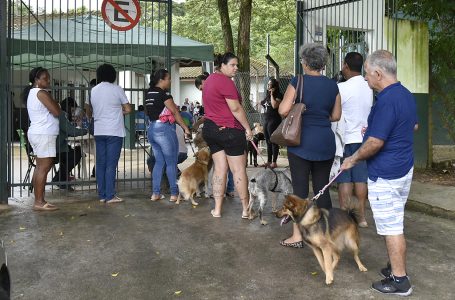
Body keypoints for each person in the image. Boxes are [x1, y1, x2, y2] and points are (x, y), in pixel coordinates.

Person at [340, 50, 417, 296]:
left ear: (378, 73)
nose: (365, 79)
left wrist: (352, 159)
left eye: (367, 74)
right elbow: (413, 125)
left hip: (386, 174)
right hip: (404, 168)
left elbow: (375, 142)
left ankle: (400, 280)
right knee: (394, 221)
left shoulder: (386, 100)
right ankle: (395, 267)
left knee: (392, 227)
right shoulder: (405, 94)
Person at [278, 43, 341, 247]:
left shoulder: (299, 81)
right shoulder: (333, 85)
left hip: (301, 142)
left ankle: (297, 237)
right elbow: (336, 115)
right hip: (325, 142)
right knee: (322, 189)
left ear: (304, 62)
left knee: (300, 191)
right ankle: (329, 235)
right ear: (323, 64)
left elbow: (283, 110)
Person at [201, 52, 253, 218]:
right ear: (222, 65)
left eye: (237, 65)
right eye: (232, 65)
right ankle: (246, 209)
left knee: (219, 169)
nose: (236, 68)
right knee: (238, 170)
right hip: (229, 130)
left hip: (211, 129)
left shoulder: (209, 80)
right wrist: (248, 128)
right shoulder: (225, 82)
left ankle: (217, 209)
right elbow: (236, 109)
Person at [336, 52, 373, 227]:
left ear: (346, 66)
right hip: (363, 139)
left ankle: (345, 217)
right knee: (360, 178)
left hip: (345, 138)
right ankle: (362, 218)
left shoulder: (342, 87)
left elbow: (335, 113)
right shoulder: (369, 85)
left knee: (344, 178)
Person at [145, 69, 191, 202]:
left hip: (152, 128)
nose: (170, 81)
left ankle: (155, 193)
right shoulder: (164, 94)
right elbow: (175, 112)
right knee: (171, 163)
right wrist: (185, 128)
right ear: (162, 79)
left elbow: (149, 112)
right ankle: (174, 194)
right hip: (164, 130)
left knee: (159, 162)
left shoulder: (149, 94)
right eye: (168, 78)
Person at [91, 64, 132, 204]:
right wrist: (118, 111)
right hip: (114, 131)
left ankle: (102, 195)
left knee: (101, 163)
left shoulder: (94, 90)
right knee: (111, 164)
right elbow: (128, 109)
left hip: (99, 130)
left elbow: (91, 109)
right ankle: (110, 195)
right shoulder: (117, 89)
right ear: (112, 75)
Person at [24, 67, 61, 211]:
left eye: (48, 77)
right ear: (36, 80)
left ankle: (40, 200)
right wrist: (55, 103)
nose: (48, 80)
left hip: (39, 133)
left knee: (41, 167)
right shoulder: (41, 93)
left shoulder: (35, 93)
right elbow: (57, 111)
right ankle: (39, 202)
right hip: (43, 134)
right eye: (45, 78)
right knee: (44, 168)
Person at [195, 73, 235, 198]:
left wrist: (198, 123)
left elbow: (211, 113)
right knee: (227, 163)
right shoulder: (220, 85)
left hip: (221, 128)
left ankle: (218, 191)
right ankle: (227, 189)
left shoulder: (214, 89)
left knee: (221, 164)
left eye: (201, 87)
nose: (202, 91)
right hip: (224, 127)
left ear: (203, 81)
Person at [52, 112, 88, 191]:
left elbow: (67, 131)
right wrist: (86, 131)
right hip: (57, 149)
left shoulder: (48, 114)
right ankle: (60, 179)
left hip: (51, 147)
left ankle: (58, 178)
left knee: (73, 152)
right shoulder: (58, 115)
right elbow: (71, 131)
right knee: (76, 153)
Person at [260, 78, 283, 169]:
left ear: (274, 86)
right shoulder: (267, 95)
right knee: (268, 141)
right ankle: (269, 162)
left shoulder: (279, 95)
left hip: (274, 120)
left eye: (270, 84)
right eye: (268, 84)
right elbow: (263, 103)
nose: (268, 86)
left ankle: (274, 162)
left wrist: (272, 94)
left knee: (273, 141)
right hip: (266, 119)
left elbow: (274, 105)